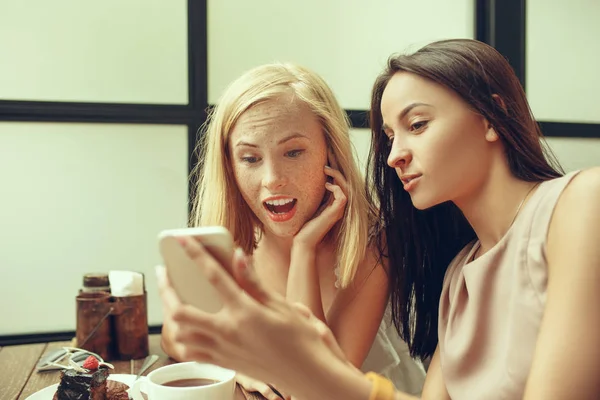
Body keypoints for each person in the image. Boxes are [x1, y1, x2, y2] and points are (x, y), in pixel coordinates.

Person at [157, 39, 600, 399]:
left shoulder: (582, 201)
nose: (393, 155)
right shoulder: (457, 280)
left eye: (418, 124)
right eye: (389, 136)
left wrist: (299, 367)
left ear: (492, 117)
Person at [159, 62, 426, 398]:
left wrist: (304, 249)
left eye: (294, 152)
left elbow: (315, 381)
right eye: (250, 159)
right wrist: (236, 367)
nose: (273, 179)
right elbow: (174, 333)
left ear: (330, 150)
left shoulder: (374, 242)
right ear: (229, 165)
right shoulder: (237, 238)